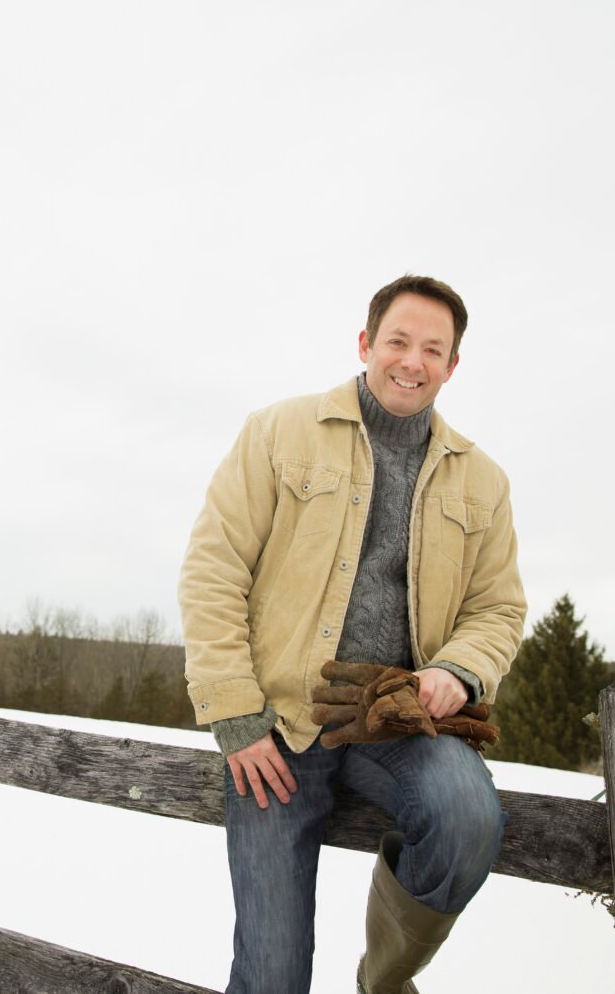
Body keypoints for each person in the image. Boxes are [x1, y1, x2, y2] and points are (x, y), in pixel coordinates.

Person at [178, 275, 526, 994]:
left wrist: (458, 671)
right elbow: (213, 571)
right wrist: (236, 716)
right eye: (398, 341)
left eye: (434, 349)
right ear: (366, 343)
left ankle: (385, 981)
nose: (413, 360)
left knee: (466, 820)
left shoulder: (483, 480)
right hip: (279, 726)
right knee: (271, 974)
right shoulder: (278, 431)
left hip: (396, 721)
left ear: (453, 365)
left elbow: (498, 608)